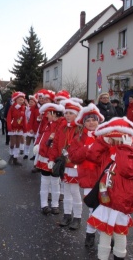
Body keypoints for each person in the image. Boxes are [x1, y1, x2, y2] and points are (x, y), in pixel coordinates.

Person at [87, 117, 133, 260]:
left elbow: (132, 171)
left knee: (120, 234)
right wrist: (102, 142)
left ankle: (119, 256)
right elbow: (91, 156)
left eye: (115, 138)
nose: (113, 142)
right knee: (105, 233)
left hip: (122, 200)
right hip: (106, 199)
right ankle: (102, 257)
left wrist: (125, 149)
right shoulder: (109, 150)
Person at [68, 103, 105, 248]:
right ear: (83, 123)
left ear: (98, 121)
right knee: (92, 207)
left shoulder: (104, 137)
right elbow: (74, 157)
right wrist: (86, 149)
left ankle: (103, 234)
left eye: (93, 120)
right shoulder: (78, 139)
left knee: (104, 206)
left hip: (103, 179)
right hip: (88, 178)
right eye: (88, 120)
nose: (91, 123)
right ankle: (90, 233)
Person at [52, 98, 83, 230]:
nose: (68, 115)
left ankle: (77, 217)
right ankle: (67, 214)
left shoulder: (80, 130)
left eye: (71, 113)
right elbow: (56, 143)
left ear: (77, 115)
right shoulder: (63, 128)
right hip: (64, 164)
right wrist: (53, 158)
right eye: (67, 113)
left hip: (75, 165)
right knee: (66, 191)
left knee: (75, 191)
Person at [33, 103, 64, 215]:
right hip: (44, 157)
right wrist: (38, 145)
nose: (46, 116)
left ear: (55, 114)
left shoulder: (60, 127)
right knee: (45, 182)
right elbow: (41, 136)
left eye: (48, 114)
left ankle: (55, 205)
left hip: (54, 158)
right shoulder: (48, 125)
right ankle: (44, 205)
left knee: (55, 182)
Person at [7, 91, 27, 166]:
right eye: (20, 99)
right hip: (13, 128)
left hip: (19, 129)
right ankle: (11, 154)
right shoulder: (12, 108)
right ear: (16, 100)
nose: (21, 101)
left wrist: (25, 129)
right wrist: (10, 127)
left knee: (18, 143)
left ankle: (15, 158)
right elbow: (9, 118)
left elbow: (24, 119)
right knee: (12, 143)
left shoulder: (23, 108)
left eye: (22, 99)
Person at [24, 93, 40, 160]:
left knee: (34, 142)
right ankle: (26, 154)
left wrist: (34, 128)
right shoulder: (28, 109)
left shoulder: (37, 109)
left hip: (35, 127)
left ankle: (34, 155)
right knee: (27, 141)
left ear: (35, 102)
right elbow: (26, 117)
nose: (30, 103)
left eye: (32, 102)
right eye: (30, 101)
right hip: (29, 126)